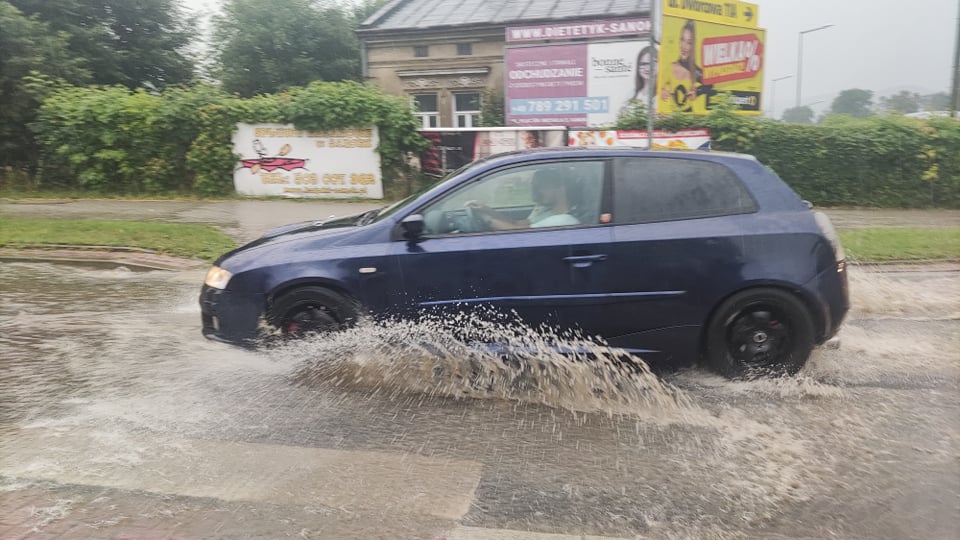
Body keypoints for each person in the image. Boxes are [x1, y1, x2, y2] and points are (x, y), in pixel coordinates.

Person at [466, 168, 580, 230]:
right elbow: (517, 223)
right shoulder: (546, 211)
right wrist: (485, 209)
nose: (536, 191)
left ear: (559, 187)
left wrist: (486, 218)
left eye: (541, 186)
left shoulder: (564, 220)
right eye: (535, 187)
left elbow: (515, 231)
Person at [660, 19, 703, 111]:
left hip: (689, 117)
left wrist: (698, 92)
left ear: (693, 46)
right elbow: (657, 85)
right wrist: (662, 91)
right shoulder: (670, 67)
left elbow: (710, 85)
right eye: (682, 40)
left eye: (689, 42)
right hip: (672, 117)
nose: (684, 46)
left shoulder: (695, 71)